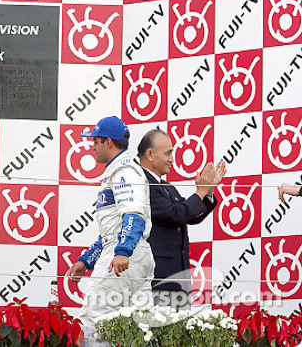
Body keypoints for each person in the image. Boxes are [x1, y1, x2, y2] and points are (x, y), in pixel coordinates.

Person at [66, 116, 153, 325]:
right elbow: (111, 230)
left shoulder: (124, 172)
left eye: (95, 141)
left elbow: (134, 215)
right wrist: (87, 261)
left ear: (108, 142)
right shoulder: (120, 171)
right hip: (133, 253)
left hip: (124, 256)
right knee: (138, 328)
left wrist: (122, 251)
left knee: (93, 321)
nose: (93, 147)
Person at [138, 128, 225, 310]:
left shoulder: (165, 186)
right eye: (168, 153)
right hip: (158, 280)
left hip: (178, 279)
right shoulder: (142, 184)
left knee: (176, 336)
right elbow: (177, 214)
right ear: (150, 154)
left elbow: (188, 215)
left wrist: (207, 192)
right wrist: (200, 191)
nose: (172, 159)